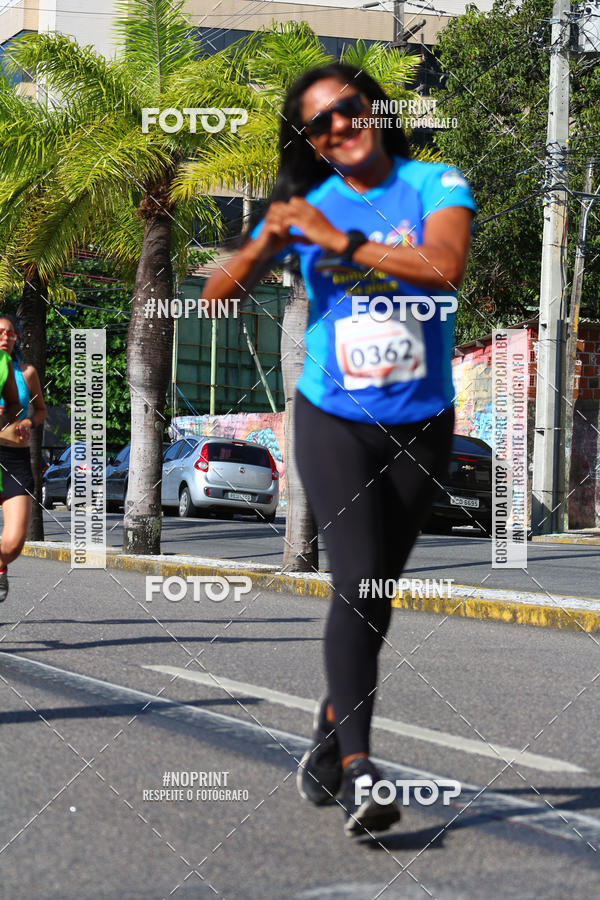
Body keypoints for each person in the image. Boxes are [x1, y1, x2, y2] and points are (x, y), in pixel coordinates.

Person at [202, 63, 475, 835]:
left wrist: (342, 240)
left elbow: (444, 267)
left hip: (422, 420)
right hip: (332, 418)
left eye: (348, 112)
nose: (339, 130)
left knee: (376, 594)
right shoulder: (306, 200)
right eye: (319, 126)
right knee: (356, 581)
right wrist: (263, 246)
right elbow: (216, 292)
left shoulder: (433, 180)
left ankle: (326, 746)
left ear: (375, 111)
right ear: (310, 142)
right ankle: (360, 772)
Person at [0, 315, 47, 602]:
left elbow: (39, 409)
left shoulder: (26, 372)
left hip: (15, 459)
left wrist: (29, 423)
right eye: (0, 332)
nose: (5, 337)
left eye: (10, 333)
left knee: (15, 542)